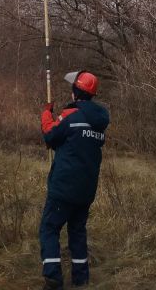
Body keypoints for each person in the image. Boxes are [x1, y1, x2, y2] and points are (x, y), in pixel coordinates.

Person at [39, 70, 110, 289]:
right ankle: (81, 279)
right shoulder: (100, 122)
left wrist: (46, 114)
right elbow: (75, 143)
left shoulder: (70, 116)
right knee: (77, 231)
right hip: (86, 190)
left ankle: (53, 278)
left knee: (49, 228)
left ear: (75, 92)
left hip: (64, 188)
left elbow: (50, 136)